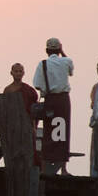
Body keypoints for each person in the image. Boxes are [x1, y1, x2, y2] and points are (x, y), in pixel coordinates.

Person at [32, 37, 74, 174]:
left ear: (46, 50)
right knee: (62, 134)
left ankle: (45, 167)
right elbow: (71, 70)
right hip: (63, 101)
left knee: (48, 132)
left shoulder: (42, 64)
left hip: (50, 100)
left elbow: (37, 84)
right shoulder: (65, 61)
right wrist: (63, 51)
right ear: (59, 49)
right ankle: (63, 168)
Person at [3, 63, 41, 167]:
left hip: (26, 127)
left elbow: (33, 111)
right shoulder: (8, 90)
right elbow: (5, 110)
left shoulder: (29, 90)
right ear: (11, 73)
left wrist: (33, 127)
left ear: (23, 73)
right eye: (16, 71)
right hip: (13, 127)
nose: (18, 73)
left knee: (29, 154)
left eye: (20, 71)